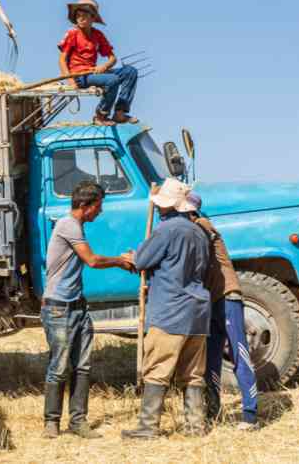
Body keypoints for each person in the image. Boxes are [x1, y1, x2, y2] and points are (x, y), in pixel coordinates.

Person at [41, 180, 135, 439]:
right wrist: (120, 261)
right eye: (98, 206)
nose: (100, 212)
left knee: (82, 367)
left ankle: (78, 421)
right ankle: (51, 421)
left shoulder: (75, 225)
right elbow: (92, 260)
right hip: (59, 309)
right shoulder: (68, 225)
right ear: (85, 206)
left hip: (78, 307)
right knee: (59, 367)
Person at [121, 179, 212, 439]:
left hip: (171, 309)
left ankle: (148, 427)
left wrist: (132, 256)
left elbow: (141, 260)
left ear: (169, 206)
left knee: (157, 370)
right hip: (197, 311)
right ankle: (196, 427)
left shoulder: (166, 229)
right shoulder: (199, 231)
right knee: (193, 373)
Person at [187, 192, 260, 431]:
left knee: (239, 354)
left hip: (227, 296)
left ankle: (250, 414)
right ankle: (213, 409)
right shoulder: (196, 225)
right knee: (212, 357)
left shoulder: (201, 225)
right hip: (213, 300)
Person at [57, 0, 139, 126]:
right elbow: (62, 59)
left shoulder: (97, 35)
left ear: (93, 18)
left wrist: (104, 66)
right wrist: (71, 81)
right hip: (80, 76)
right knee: (112, 80)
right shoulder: (73, 33)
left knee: (130, 71)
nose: (81, 18)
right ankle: (101, 115)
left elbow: (112, 58)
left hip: (94, 73)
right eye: (78, 16)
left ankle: (119, 112)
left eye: (84, 16)